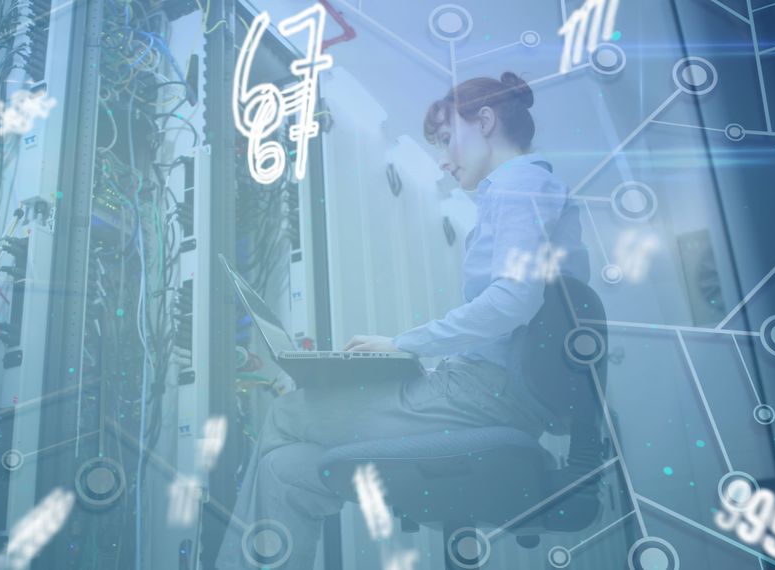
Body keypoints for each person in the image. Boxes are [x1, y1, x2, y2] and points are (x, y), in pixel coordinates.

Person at [214, 72, 590, 569]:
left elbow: (512, 301)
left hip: (484, 396)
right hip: (486, 392)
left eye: (447, 139)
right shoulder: (526, 190)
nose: (443, 158)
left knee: (287, 414)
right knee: (286, 470)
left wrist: (404, 344)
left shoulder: (520, 184)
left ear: (485, 121)